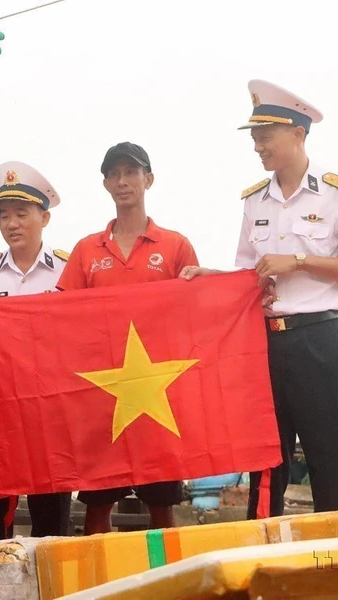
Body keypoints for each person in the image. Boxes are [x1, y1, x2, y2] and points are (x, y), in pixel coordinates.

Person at [180, 79, 338, 518]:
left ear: (298, 132)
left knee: (330, 460)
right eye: (254, 137)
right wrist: (210, 276)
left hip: (319, 340)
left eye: (265, 135)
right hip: (265, 343)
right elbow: (251, 275)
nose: (257, 146)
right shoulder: (255, 201)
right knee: (266, 462)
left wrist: (300, 261)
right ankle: (263, 558)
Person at [57, 142, 199, 534]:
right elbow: (61, 317)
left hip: (159, 390)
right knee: (98, 504)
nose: (123, 181)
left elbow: (197, 313)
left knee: (162, 506)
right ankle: (101, 586)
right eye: (114, 174)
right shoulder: (86, 250)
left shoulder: (176, 245)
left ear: (148, 179)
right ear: (105, 184)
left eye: (131, 172)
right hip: (104, 393)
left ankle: (166, 582)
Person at [0, 161, 72, 543]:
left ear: (44, 217)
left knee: (51, 520)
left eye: (21, 214)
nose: (11, 223)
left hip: (50, 410)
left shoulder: (68, 272)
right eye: (4, 215)